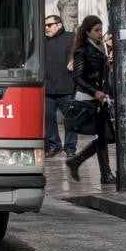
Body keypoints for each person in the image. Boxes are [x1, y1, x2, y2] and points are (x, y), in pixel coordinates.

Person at [67, 15, 116, 185]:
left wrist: (108, 95)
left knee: (108, 136)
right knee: (105, 136)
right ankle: (105, 174)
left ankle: (78, 161)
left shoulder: (99, 48)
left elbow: (104, 76)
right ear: (87, 32)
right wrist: (95, 92)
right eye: (96, 30)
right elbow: (77, 77)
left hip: (101, 99)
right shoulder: (83, 50)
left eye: (101, 29)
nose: (100, 33)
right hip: (90, 99)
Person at [43, 14, 77, 158]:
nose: (46, 28)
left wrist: (75, 60)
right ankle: (54, 145)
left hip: (66, 87)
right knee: (48, 117)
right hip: (47, 88)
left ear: (59, 25)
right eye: (45, 25)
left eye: (49, 25)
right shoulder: (41, 40)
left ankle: (70, 147)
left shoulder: (71, 37)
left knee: (70, 118)